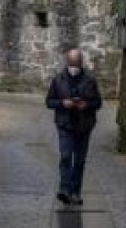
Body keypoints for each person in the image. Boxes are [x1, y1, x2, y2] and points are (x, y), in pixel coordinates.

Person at [45, 48, 102, 206]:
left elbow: (98, 103)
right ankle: (64, 189)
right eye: (71, 64)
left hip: (84, 126)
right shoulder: (58, 80)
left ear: (81, 63)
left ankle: (75, 192)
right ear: (67, 63)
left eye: (76, 64)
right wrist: (63, 103)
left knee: (79, 160)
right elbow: (49, 102)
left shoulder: (90, 80)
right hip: (64, 124)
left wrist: (86, 105)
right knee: (65, 156)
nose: (74, 68)